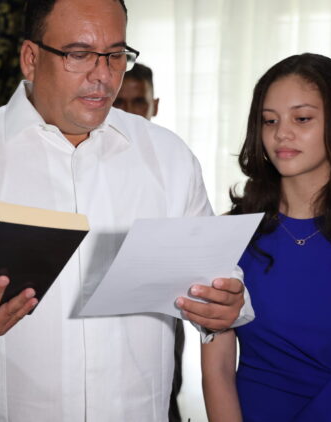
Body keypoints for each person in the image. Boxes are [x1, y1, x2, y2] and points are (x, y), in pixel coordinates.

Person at [0, 0, 253, 420]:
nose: (103, 75)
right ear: (31, 57)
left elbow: (214, 277)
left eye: (116, 55)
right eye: (79, 55)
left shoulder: (168, 158)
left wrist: (226, 303)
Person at [201, 53, 331, 421]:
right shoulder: (227, 233)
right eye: (269, 120)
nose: (282, 133)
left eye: (302, 118)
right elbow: (216, 372)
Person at [114, 61, 182, 422]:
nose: (128, 112)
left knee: (163, 395)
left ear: (155, 105)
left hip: (164, 308)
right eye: (119, 102)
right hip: (98, 307)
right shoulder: (91, 159)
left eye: (138, 102)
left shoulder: (174, 162)